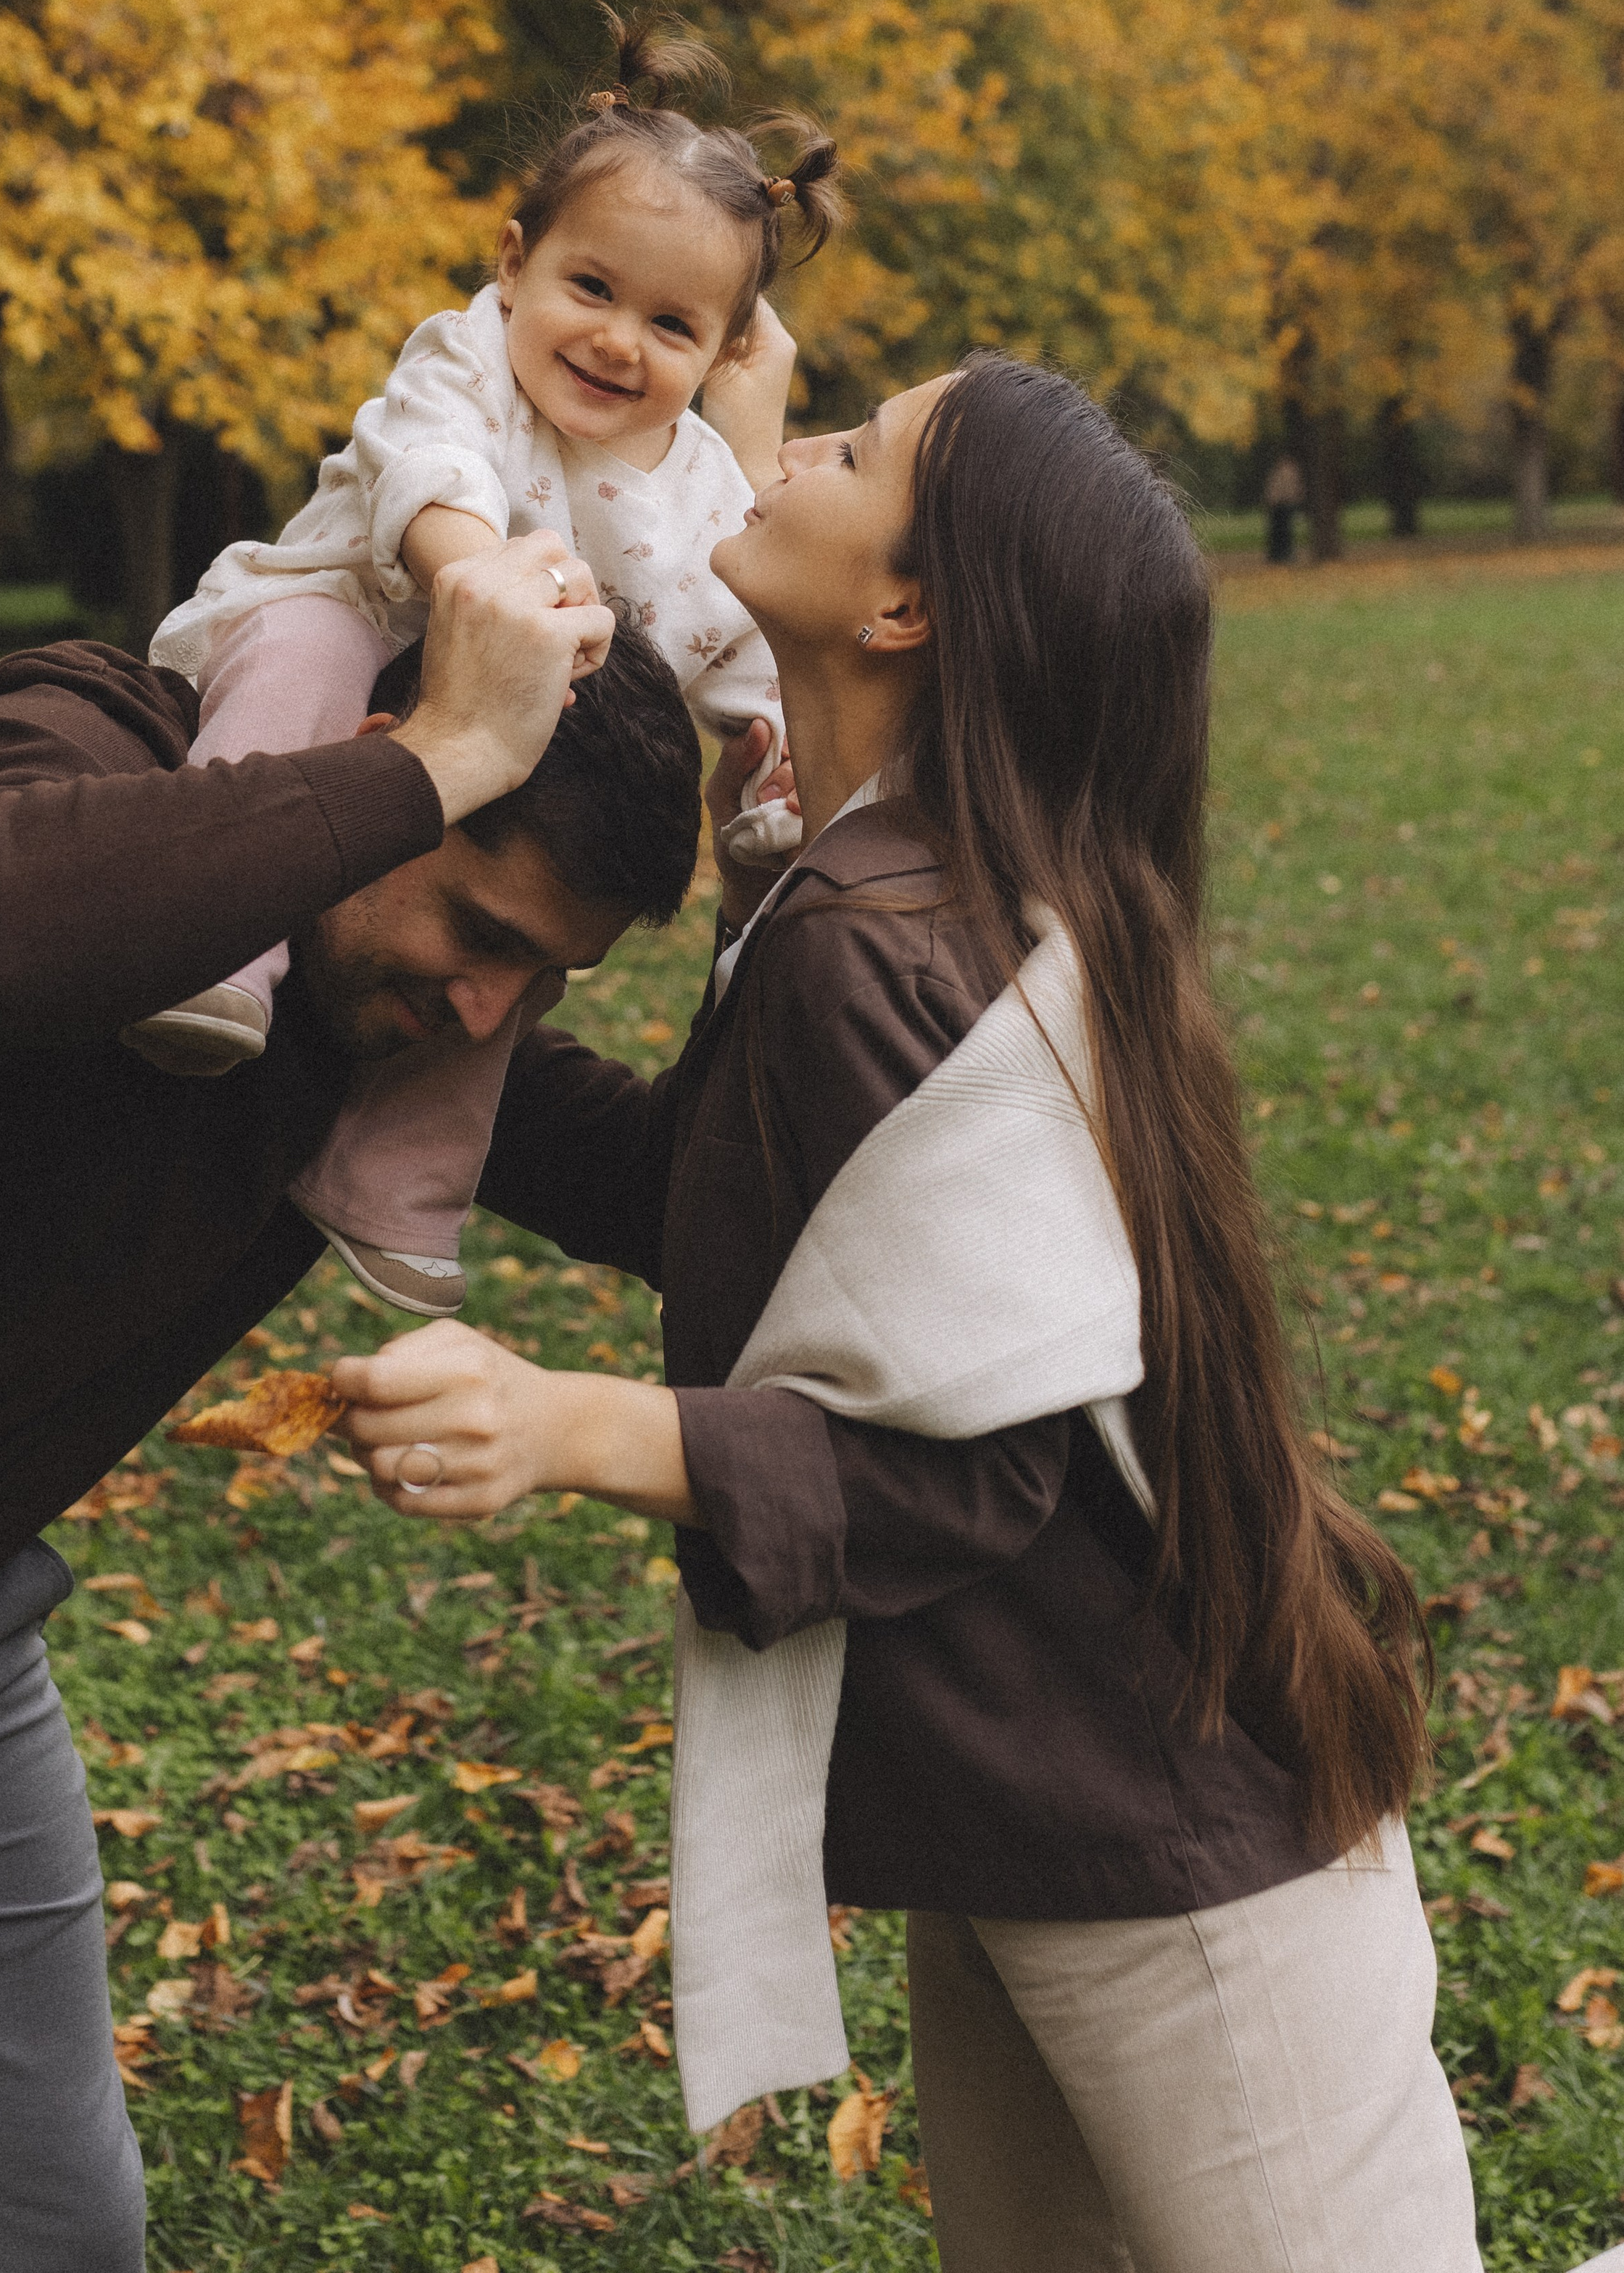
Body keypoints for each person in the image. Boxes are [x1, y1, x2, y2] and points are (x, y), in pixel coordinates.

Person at [335, 359, 1479, 2273]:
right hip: (1043, 1816)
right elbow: (726, 1204)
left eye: (851, 452)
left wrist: (565, 1428)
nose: (789, 450)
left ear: (905, 605)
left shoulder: (888, 936)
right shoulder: (886, 880)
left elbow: (978, 1467)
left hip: (1172, 1839)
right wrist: (390, 989)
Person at [0, 535, 705, 2273]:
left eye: (541, 980)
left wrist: (831, 871)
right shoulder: (76, 733)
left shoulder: (391, 1026)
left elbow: (683, 1195)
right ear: (373, 737)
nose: (486, 1006)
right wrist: (430, 763)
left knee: (48, 2240)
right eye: (483, 928)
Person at [128, 11, 840, 1320]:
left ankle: (400, 1181)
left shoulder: (698, 488)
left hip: (503, 733)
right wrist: (477, 579)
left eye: (673, 326)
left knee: (494, 960)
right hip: (360, 611)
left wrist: (777, 756)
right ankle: (205, 939)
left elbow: (727, 637)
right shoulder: (467, 358)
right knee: (305, 650)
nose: (621, 342)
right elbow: (428, 471)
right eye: (593, 290)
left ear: (723, 353)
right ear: (514, 263)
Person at [1264, 448, 1306, 563]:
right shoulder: (1286, 470)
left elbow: (1283, 489)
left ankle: (1282, 555)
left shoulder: (1285, 471)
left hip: (1283, 505)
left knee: (1283, 532)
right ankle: (1280, 555)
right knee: (1282, 532)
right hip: (1283, 504)